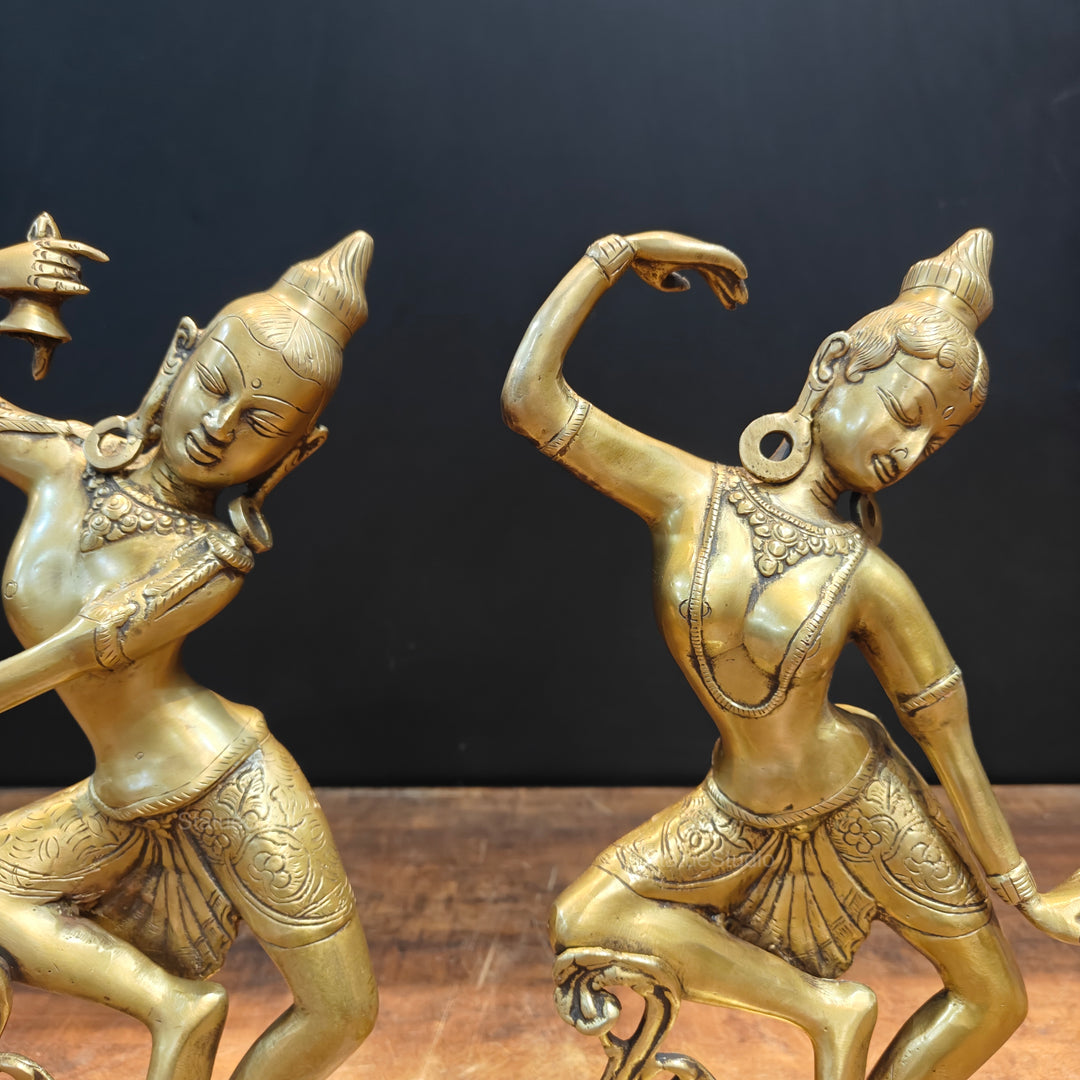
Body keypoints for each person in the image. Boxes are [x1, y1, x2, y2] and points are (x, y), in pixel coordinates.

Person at [502, 229, 1080, 1080]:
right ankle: (827, 1010)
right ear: (835, 363)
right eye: (907, 412)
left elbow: (947, 740)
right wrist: (614, 257)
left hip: (862, 805)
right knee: (585, 919)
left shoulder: (871, 579)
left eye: (934, 443)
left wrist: (1027, 895)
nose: (908, 452)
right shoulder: (689, 495)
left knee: (993, 998)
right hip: (736, 809)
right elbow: (532, 400)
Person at [0, 220, 377, 1080]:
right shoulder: (62, 460)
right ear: (181, 356)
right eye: (214, 385)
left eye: (261, 423)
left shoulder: (209, 559)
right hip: (123, 795)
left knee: (342, 1010)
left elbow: (74, 654)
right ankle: (174, 1006)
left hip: (230, 783)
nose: (218, 425)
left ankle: (181, 1017)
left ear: (295, 452)